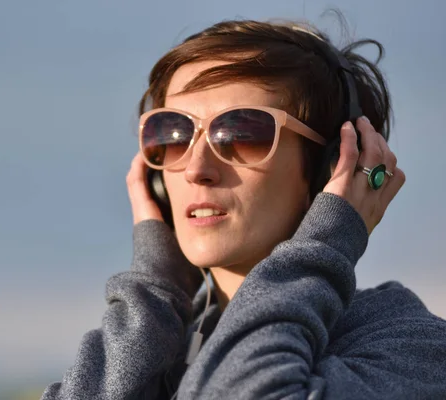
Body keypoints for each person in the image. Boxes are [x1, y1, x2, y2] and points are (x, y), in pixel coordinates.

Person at [43, 16, 446, 400]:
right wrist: (153, 293)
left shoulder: (408, 346)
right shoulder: (152, 345)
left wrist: (328, 241)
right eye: (174, 133)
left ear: (330, 168)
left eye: (242, 132)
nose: (197, 169)